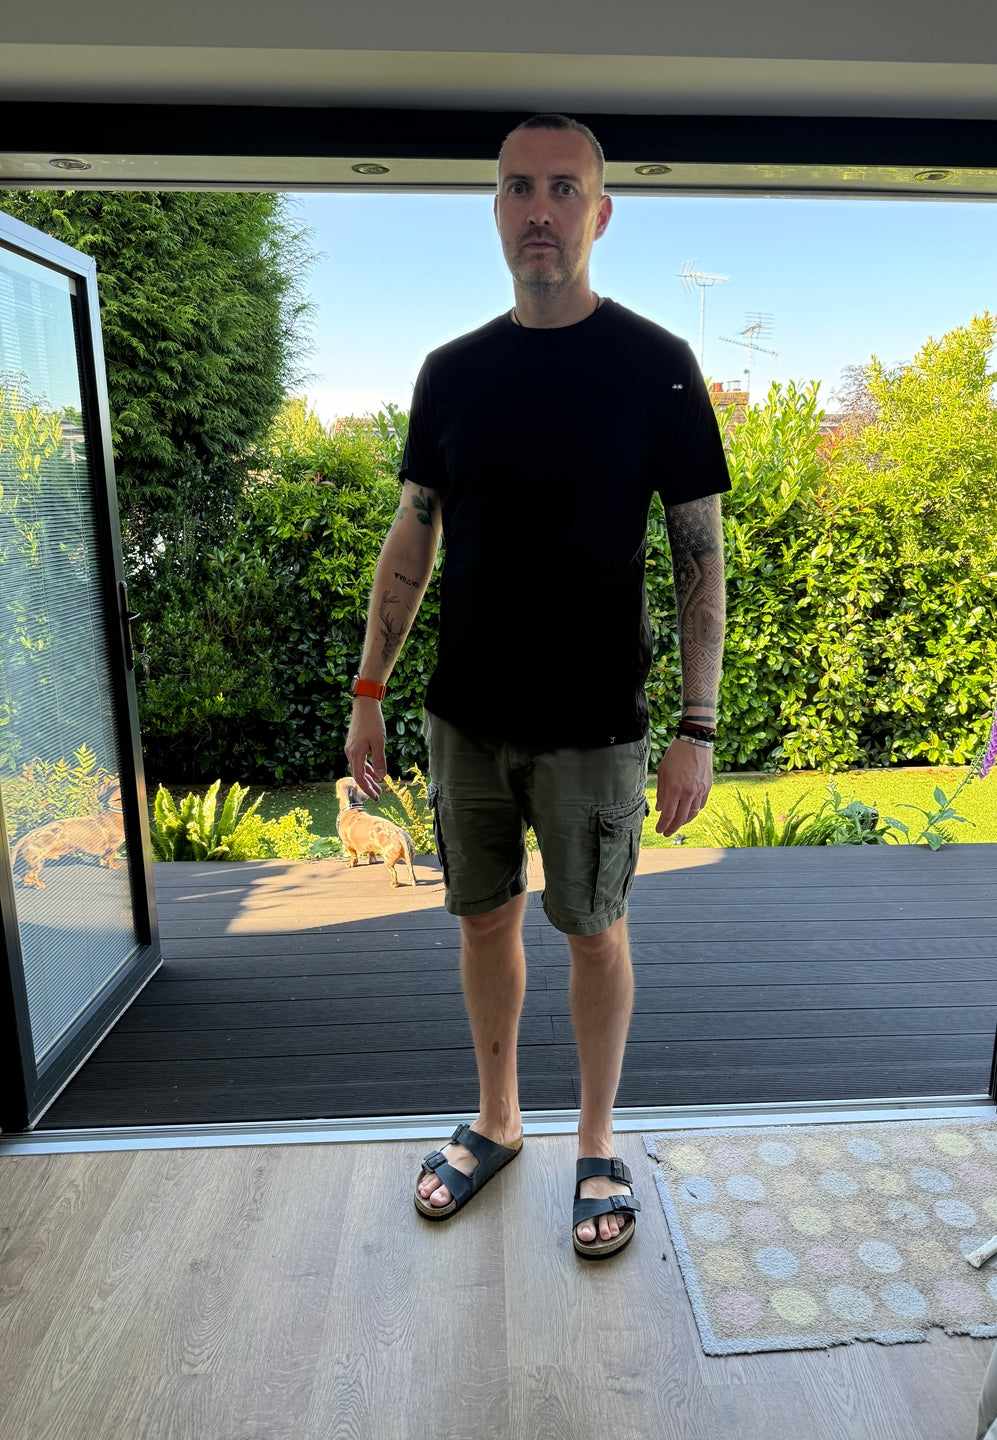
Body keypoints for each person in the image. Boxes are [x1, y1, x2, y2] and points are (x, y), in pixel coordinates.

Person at [345, 112, 730, 1259]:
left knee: (595, 931)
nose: (540, 210)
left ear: (600, 214)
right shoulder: (451, 373)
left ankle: (598, 1140)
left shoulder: (658, 366)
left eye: (565, 189)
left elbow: (700, 559)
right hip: (466, 715)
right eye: (519, 188)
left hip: (596, 722)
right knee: (481, 921)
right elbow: (412, 541)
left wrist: (698, 726)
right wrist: (369, 690)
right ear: (497, 211)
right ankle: (500, 1119)